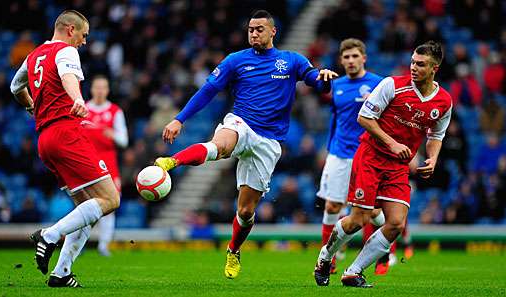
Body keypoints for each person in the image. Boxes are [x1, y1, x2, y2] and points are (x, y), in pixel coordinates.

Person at [154, 10, 337, 279]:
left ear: (273, 31)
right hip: (241, 122)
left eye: (259, 29)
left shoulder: (291, 61)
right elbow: (207, 91)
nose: (254, 33)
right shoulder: (235, 61)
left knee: (246, 211)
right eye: (251, 29)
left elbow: (314, 81)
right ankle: (172, 161)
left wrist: (323, 80)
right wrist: (179, 119)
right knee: (220, 145)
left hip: (269, 141)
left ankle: (233, 250)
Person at [313, 41, 452, 287]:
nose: (414, 67)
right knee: (359, 219)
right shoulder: (392, 85)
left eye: (420, 64)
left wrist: (433, 157)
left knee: (396, 223)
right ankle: (325, 257)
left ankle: (353, 271)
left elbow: (436, 135)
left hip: (398, 166)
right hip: (371, 157)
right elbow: (364, 118)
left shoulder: (443, 101)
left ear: (434, 69)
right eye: (412, 62)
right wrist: (392, 144)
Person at [9, 10, 120, 287]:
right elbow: (69, 77)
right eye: (83, 35)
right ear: (70, 29)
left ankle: (61, 273)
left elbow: (15, 87)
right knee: (110, 199)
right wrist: (78, 99)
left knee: (86, 207)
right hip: (66, 133)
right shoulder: (66, 51)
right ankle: (48, 235)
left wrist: (31, 106)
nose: (84, 41)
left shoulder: (33, 56)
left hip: (45, 140)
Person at [316, 38, 386, 274]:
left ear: (364, 58)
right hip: (340, 153)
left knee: (373, 211)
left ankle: (386, 250)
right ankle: (330, 257)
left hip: (367, 155)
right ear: (341, 60)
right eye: (346, 57)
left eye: (355, 56)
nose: (351, 60)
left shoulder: (379, 84)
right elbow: (336, 119)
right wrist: (328, 147)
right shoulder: (337, 85)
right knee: (333, 205)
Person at [84, 75, 129, 256]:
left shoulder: (115, 111)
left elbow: (124, 140)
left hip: (108, 165)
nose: (100, 91)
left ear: (108, 90)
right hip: (87, 163)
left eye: (103, 87)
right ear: (92, 89)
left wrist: (113, 135)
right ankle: (79, 245)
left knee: (110, 205)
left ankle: (104, 245)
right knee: (85, 205)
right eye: (97, 87)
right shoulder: (83, 108)